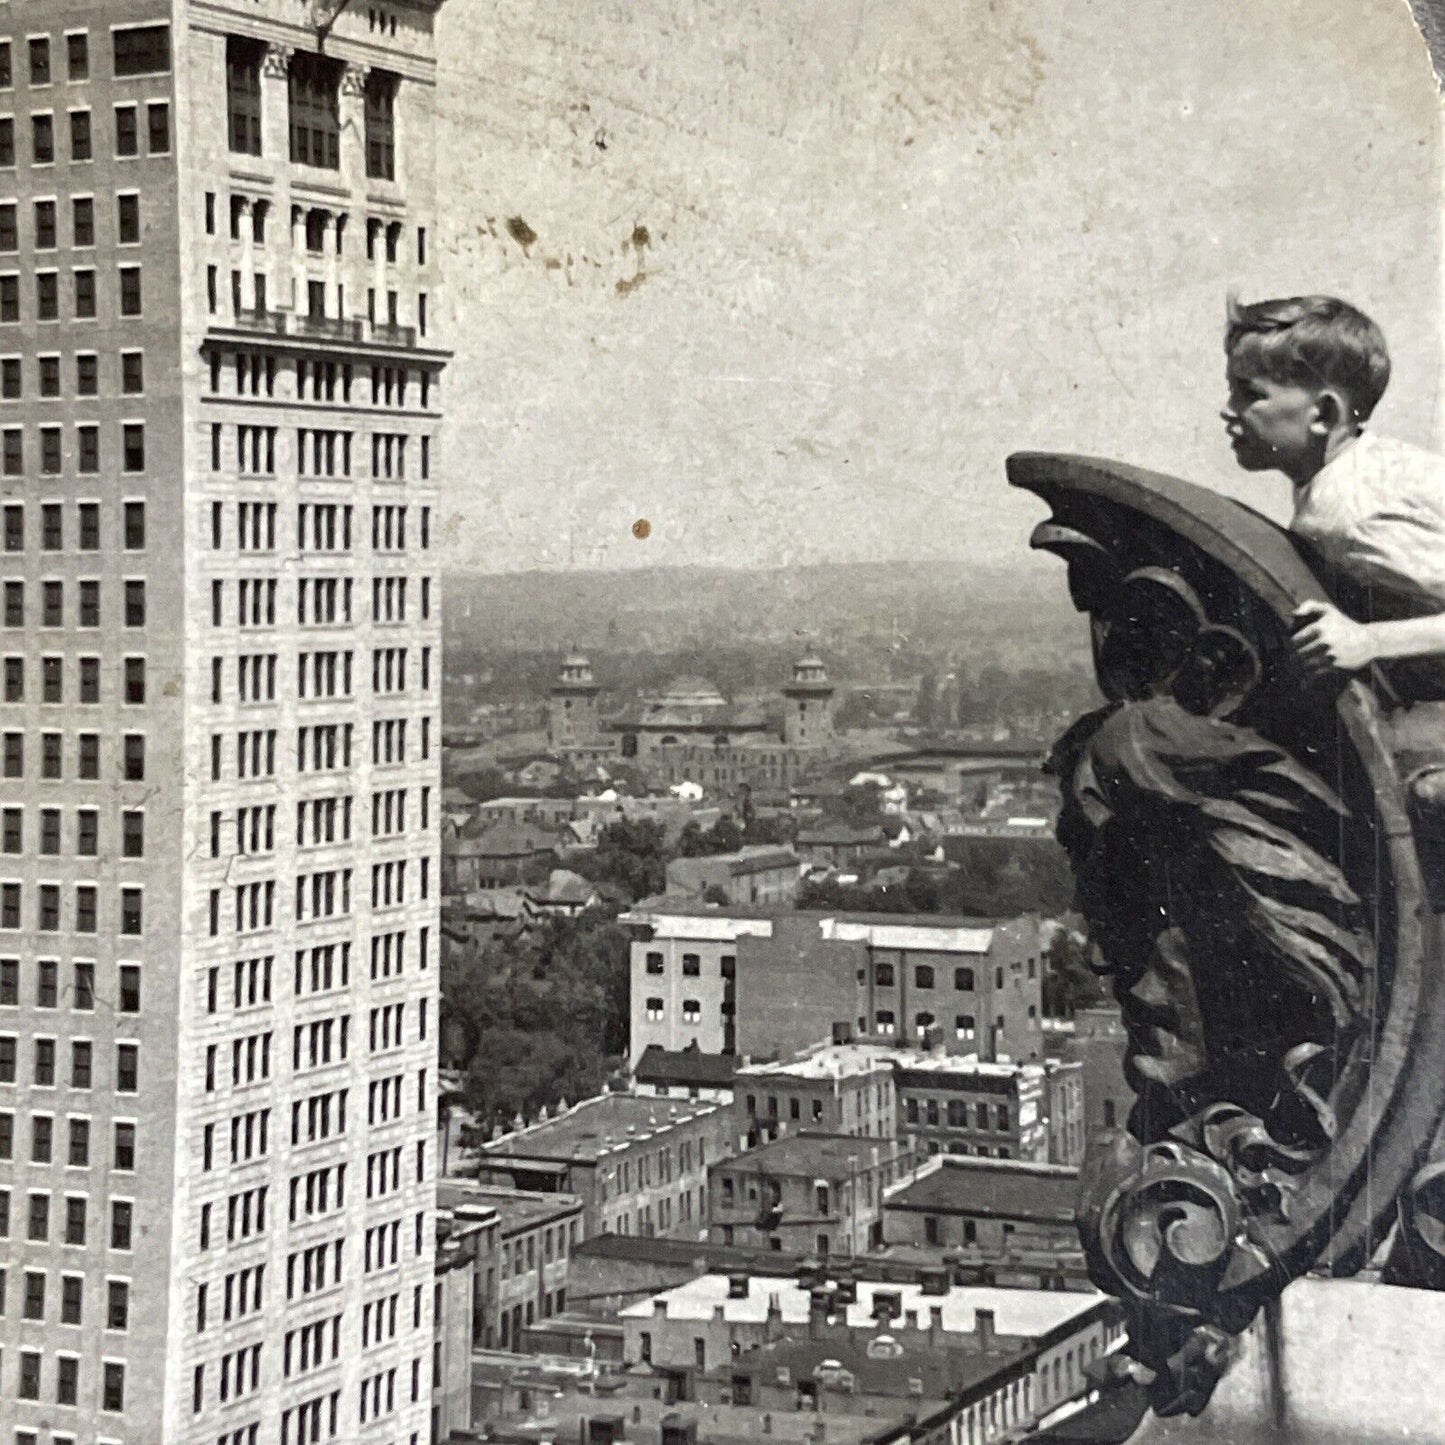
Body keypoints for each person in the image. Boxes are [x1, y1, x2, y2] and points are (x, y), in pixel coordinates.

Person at [1221, 293, 1445, 678]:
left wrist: (1371, 641)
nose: (1228, 408)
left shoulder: (1352, 513)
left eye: (1250, 394)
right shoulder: (1362, 469)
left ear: (1324, 413)